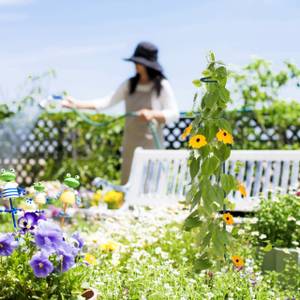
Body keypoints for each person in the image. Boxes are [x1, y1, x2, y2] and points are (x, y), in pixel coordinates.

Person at [62, 41, 179, 184]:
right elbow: (106, 102)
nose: (136, 65)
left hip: (151, 144)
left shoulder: (161, 86)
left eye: (139, 62)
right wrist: (76, 104)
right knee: (130, 182)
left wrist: (153, 114)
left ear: (148, 65)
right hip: (131, 142)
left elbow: (174, 113)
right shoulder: (129, 84)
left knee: (151, 182)